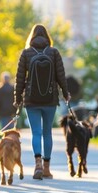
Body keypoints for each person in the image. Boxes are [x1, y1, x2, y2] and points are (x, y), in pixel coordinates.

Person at [14, 24, 69, 180]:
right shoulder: (54, 52)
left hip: (31, 99)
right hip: (50, 99)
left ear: (31, 37)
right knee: (47, 133)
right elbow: (61, 76)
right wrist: (65, 94)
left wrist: (17, 99)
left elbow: (19, 79)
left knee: (36, 133)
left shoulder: (26, 53)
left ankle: (37, 164)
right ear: (47, 37)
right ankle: (46, 168)